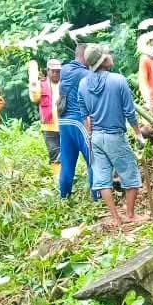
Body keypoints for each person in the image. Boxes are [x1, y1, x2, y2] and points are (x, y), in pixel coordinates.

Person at [78, 44, 142, 229]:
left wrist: (90, 136)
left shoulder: (83, 84)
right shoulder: (118, 80)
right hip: (115, 136)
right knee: (131, 176)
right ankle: (130, 215)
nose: (111, 56)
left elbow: (85, 114)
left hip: (96, 137)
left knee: (102, 179)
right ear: (103, 60)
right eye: (108, 54)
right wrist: (138, 133)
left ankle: (115, 218)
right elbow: (129, 112)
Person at [58, 43, 96, 199]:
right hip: (77, 122)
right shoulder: (85, 74)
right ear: (85, 56)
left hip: (63, 122)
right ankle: (98, 197)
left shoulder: (65, 69)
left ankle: (64, 198)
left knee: (67, 163)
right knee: (93, 160)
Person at [29, 58, 62, 168]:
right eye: (53, 71)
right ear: (47, 71)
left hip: (65, 125)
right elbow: (34, 99)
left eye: (58, 71)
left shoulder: (65, 83)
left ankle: (67, 179)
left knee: (66, 154)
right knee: (54, 154)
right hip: (49, 126)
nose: (56, 73)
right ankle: (56, 179)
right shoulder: (41, 84)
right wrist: (33, 84)